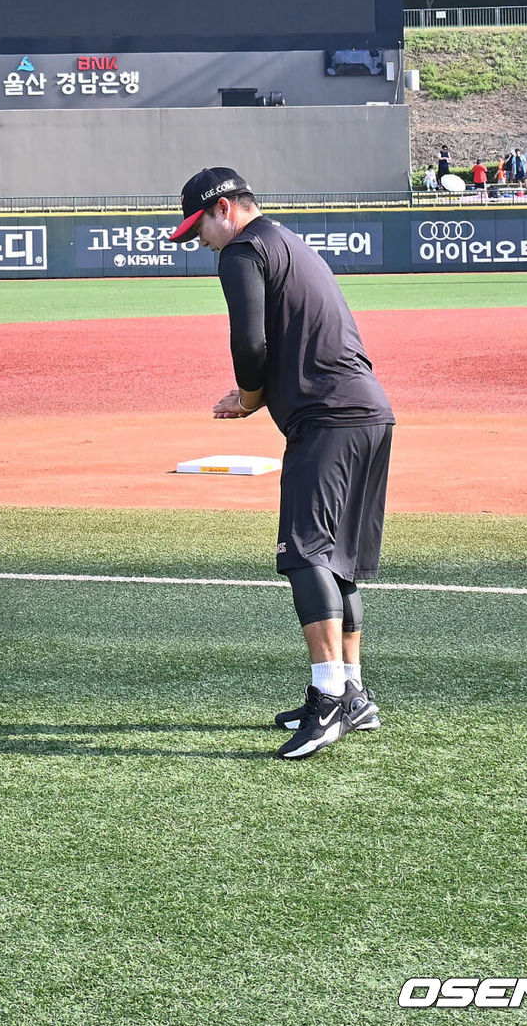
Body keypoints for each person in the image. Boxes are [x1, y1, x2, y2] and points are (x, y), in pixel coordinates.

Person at [170, 167, 395, 760]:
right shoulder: (289, 242)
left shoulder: (244, 251)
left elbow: (249, 344)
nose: (200, 242)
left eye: (200, 229)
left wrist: (247, 400)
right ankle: (353, 690)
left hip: (328, 419)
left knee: (303, 552)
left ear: (224, 209)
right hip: (368, 412)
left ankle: (329, 702)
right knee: (336, 558)